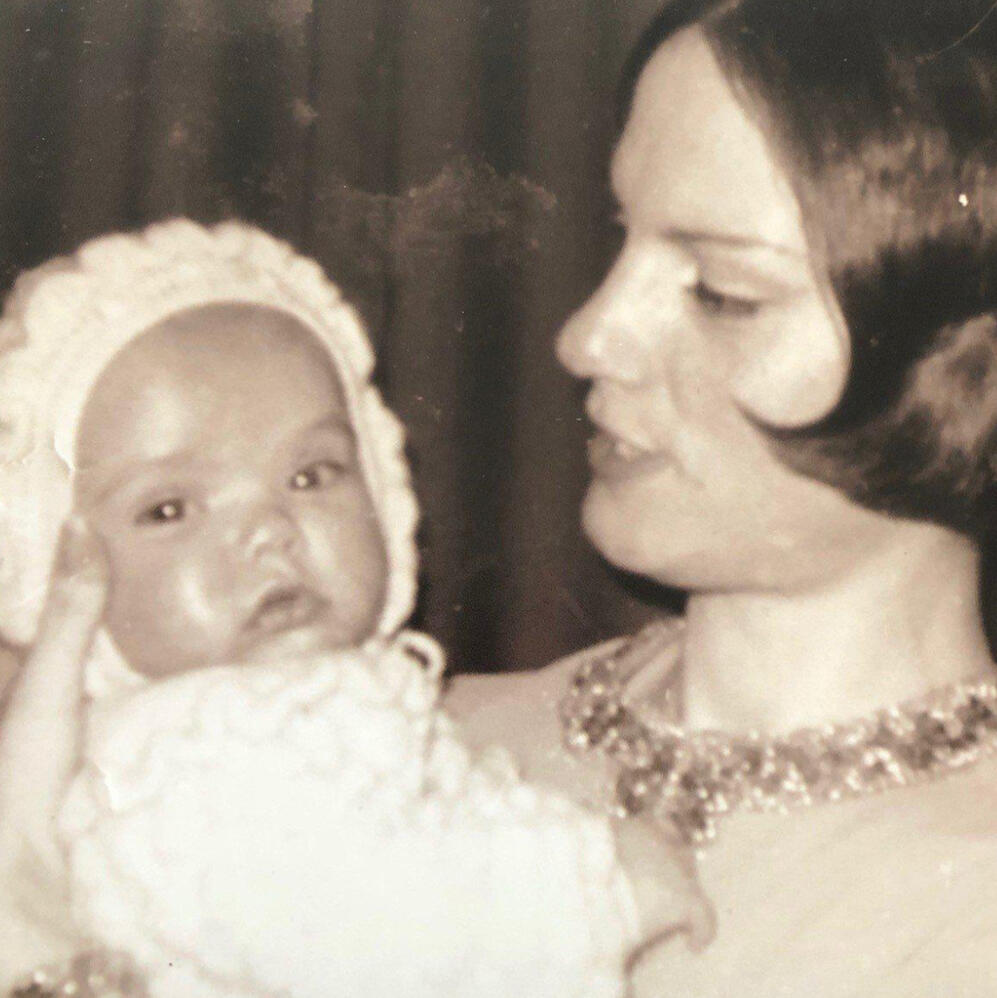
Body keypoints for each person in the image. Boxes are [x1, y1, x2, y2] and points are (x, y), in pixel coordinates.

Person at [0, 220, 710, 997]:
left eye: (311, 475)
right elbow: (381, 931)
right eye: (169, 509)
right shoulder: (201, 747)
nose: (270, 531)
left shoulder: (296, 710)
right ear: (59, 578)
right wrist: (604, 884)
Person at [446, 0, 997, 994]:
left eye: (722, 291)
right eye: (621, 236)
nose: (588, 336)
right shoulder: (420, 742)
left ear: (965, 366)